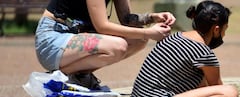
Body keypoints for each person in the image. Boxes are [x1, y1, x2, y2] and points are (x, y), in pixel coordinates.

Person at [35, 0, 176, 90]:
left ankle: (79, 76)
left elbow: (126, 18)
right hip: (53, 38)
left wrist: (152, 17)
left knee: (138, 40)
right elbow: (102, 26)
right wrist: (149, 33)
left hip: (75, 37)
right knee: (118, 46)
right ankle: (61, 76)